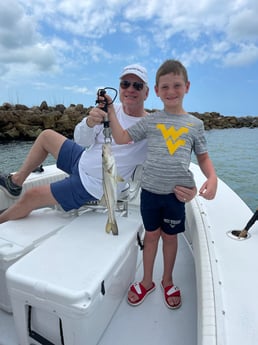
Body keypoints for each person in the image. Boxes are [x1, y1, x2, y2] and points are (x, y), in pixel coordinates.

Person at [0, 63, 196, 224]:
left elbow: (173, 158)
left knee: (31, 196)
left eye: (137, 86)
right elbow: (81, 140)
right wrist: (89, 122)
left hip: (95, 184)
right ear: (120, 88)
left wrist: (189, 186)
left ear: (146, 93)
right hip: (81, 159)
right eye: (125, 84)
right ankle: (16, 182)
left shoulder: (152, 126)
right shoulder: (109, 110)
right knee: (46, 136)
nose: (130, 89)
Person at [102, 59, 218, 309]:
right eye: (164, 87)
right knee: (151, 236)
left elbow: (204, 157)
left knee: (171, 238)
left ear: (187, 86)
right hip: (150, 194)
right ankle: (146, 281)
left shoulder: (195, 125)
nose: (171, 91)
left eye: (176, 85)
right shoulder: (151, 121)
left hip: (176, 196)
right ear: (155, 91)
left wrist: (212, 177)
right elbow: (122, 138)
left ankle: (167, 280)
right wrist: (111, 110)